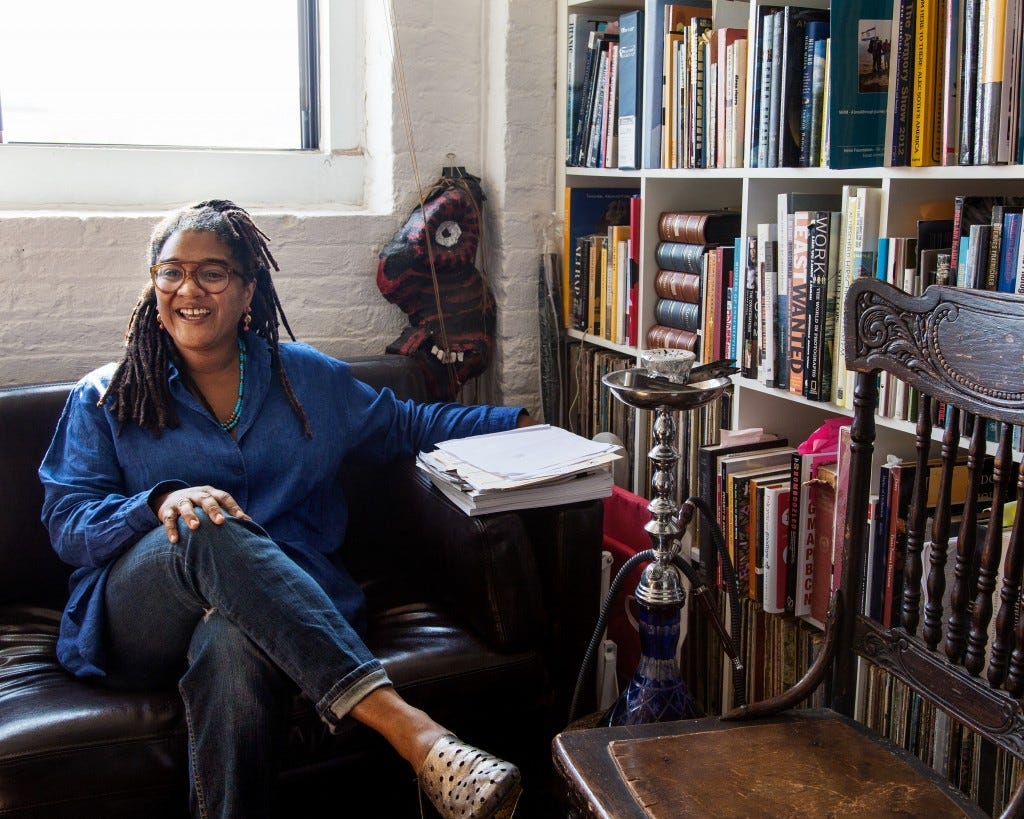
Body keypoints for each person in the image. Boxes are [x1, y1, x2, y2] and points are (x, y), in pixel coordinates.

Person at [38, 199, 527, 819]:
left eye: (212, 273)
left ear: (249, 291)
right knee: (201, 518)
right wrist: (157, 502)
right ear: (154, 285)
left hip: (286, 600)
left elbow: (407, 424)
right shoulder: (107, 396)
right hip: (141, 611)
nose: (188, 288)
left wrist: (523, 426)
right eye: (171, 272)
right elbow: (68, 527)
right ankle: (417, 735)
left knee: (233, 644)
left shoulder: (305, 380)